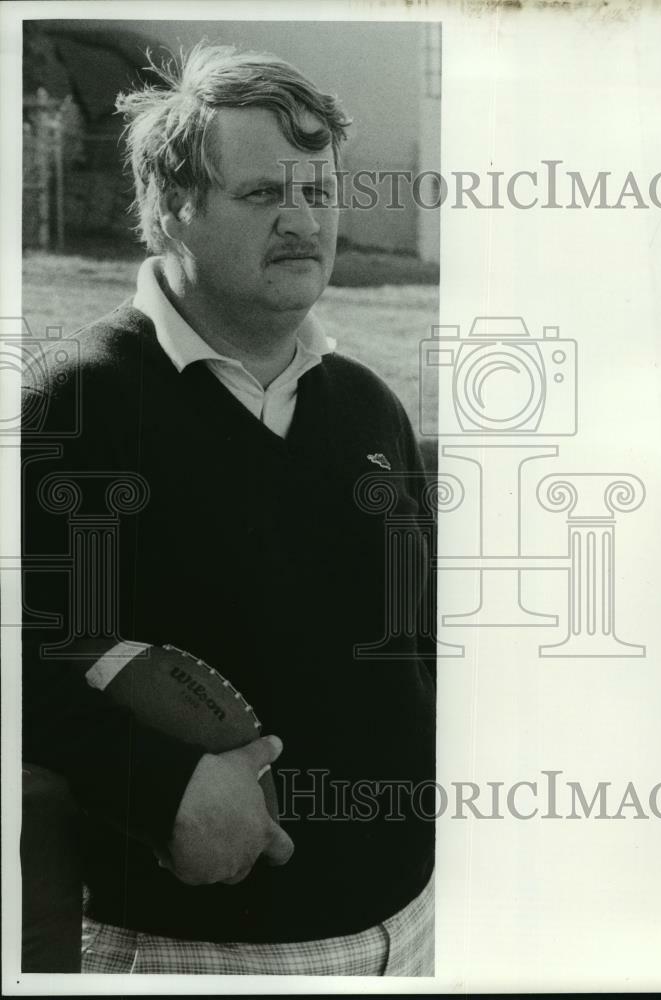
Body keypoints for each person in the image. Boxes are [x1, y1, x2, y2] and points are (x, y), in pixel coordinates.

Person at [21, 42, 436, 976]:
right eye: (261, 196)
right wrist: (163, 789)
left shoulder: (369, 406)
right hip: (191, 947)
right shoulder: (79, 405)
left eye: (319, 193)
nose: (303, 223)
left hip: (407, 933)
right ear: (173, 208)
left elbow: (419, 648)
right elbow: (28, 670)